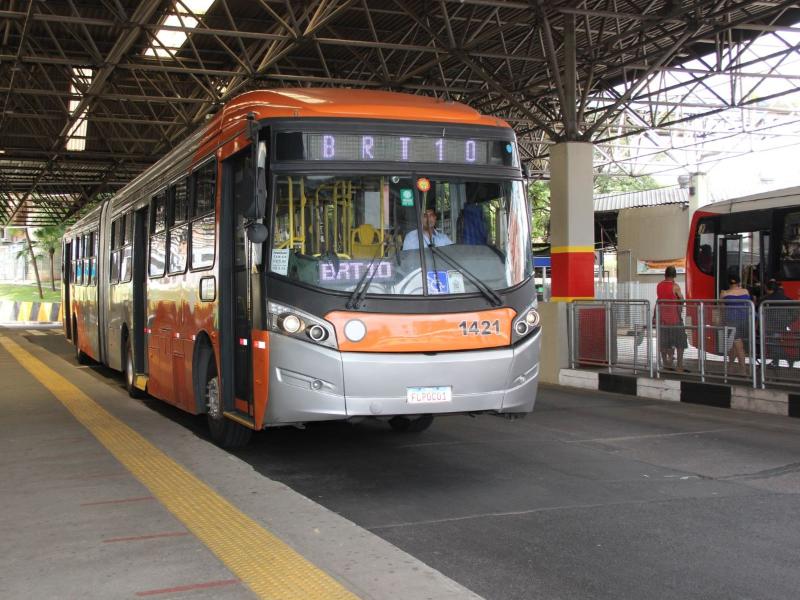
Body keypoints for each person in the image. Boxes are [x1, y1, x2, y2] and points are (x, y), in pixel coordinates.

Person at [657, 265, 688, 372]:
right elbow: (682, 300)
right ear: (674, 275)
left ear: (665, 274)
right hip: (675, 318)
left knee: (664, 341)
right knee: (681, 341)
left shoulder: (659, 285)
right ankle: (679, 365)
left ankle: (666, 363)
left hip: (662, 319)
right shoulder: (675, 286)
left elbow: (659, 299)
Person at [721, 273, 752, 375]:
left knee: (738, 346)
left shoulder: (725, 293)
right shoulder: (745, 291)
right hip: (745, 321)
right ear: (739, 281)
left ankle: (743, 370)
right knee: (735, 346)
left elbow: (721, 307)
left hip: (731, 321)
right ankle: (730, 366)